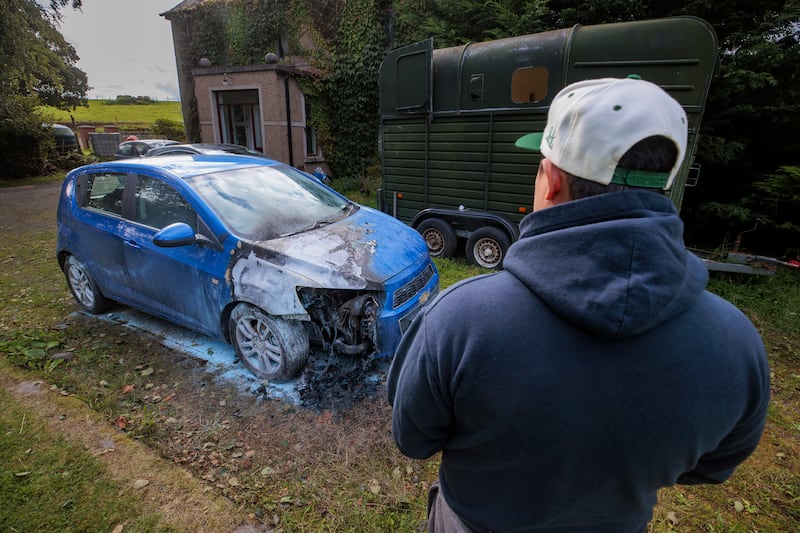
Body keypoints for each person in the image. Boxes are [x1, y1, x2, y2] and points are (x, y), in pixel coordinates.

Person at [386, 76, 771, 532]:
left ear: (549, 183)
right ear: (663, 184)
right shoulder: (738, 344)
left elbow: (413, 438)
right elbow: (712, 466)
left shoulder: (459, 320)